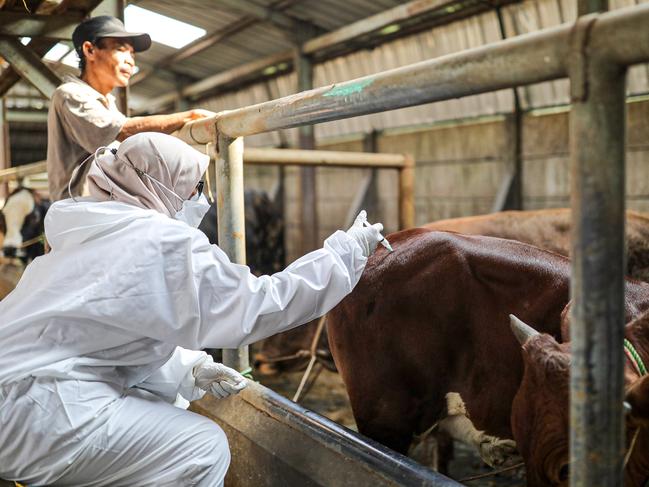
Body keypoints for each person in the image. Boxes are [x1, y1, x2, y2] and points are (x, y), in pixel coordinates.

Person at [0, 132, 387, 486]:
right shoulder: (159, 240)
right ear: (162, 186)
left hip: (22, 395)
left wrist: (190, 369)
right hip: (37, 413)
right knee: (202, 448)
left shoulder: (96, 230)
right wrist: (345, 253)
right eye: (196, 186)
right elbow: (257, 305)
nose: (203, 197)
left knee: (160, 406)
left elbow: (105, 328)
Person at [47, 15, 215, 201]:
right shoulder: (70, 94)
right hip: (78, 211)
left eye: (132, 54)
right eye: (121, 50)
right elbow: (124, 130)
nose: (130, 61)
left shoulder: (107, 103)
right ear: (90, 50)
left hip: (98, 208)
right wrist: (189, 116)